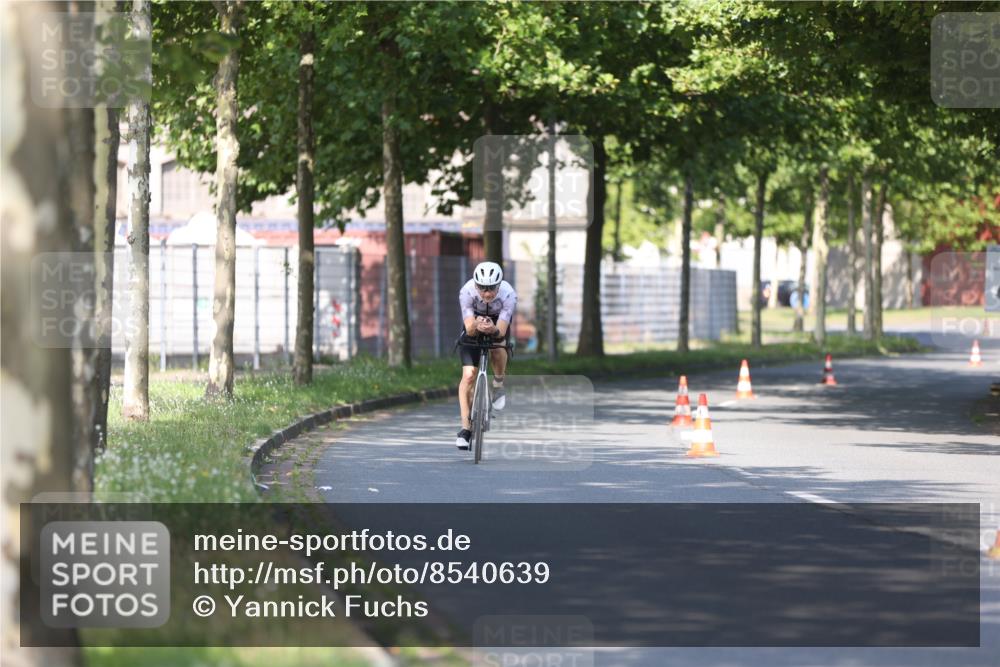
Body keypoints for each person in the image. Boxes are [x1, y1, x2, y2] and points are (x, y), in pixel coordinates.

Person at [455, 261, 517, 450]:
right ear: (476, 285)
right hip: (474, 322)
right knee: (468, 375)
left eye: (491, 288)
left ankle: (498, 384)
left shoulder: (509, 294)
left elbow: (501, 331)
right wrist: (476, 324)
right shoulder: (466, 292)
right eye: (482, 288)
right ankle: (465, 429)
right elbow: (469, 328)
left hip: (497, 324)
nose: (487, 293)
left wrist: (493, 329)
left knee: (498, 349)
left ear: (499, 285)